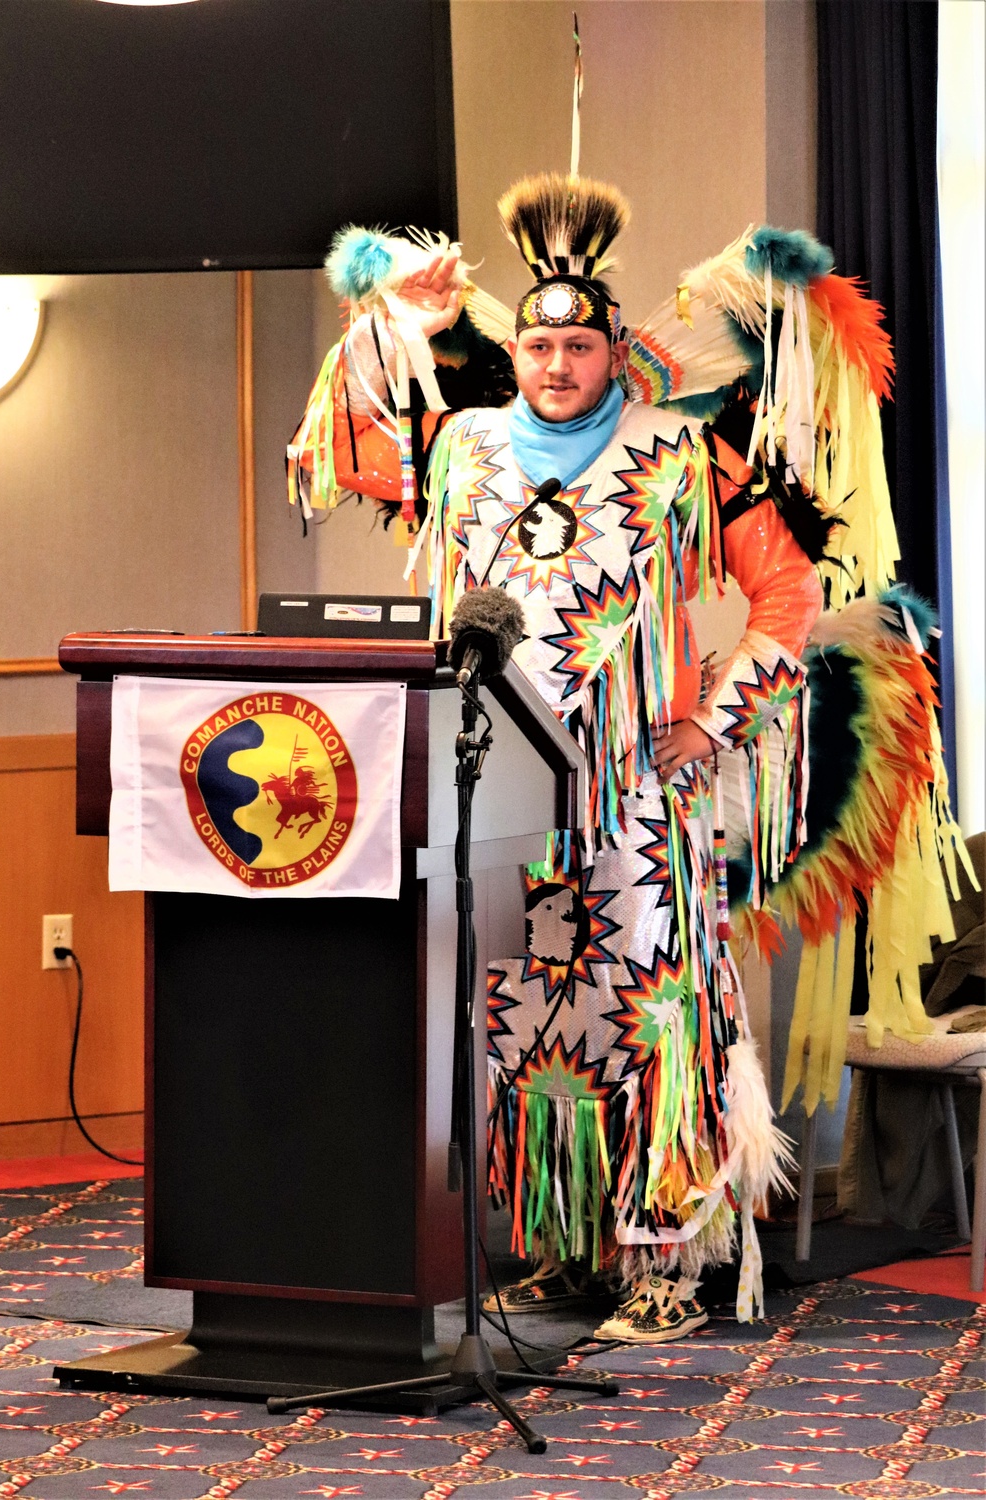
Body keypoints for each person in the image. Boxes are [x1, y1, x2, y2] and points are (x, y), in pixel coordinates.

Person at [287, 173, 920, 1342]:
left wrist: (717, 719)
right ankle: (566, 1244)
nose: (554, 364)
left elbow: (786, 588)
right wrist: (396, 321)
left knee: (643, 1008)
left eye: (577, 344)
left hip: (634, 788)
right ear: (513, 350)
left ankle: (664, 1261)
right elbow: (343, 450)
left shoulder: (680, 456)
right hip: (497, 780)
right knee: (524, 1010)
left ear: (614, 350)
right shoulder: (467, 447)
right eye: (536, 343)